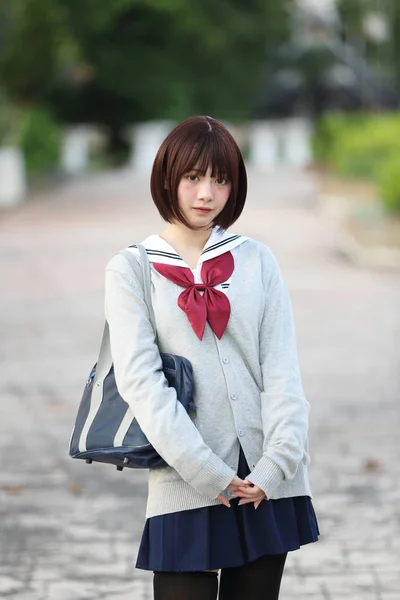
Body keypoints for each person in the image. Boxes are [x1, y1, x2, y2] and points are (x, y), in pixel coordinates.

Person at [105, 116, 319, 600]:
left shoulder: (257, 260)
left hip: (264, 480)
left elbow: (282, 370)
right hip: (187, 477)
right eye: (193, 177)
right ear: (167, 178)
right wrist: (207, 472)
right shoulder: (132, 269)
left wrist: (276, 464)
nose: (206, 193)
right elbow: (142, 384)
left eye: (220, 179)